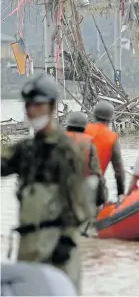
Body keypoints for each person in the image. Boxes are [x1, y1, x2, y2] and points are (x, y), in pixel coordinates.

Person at [1, 74, 91, 293]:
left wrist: (67, 241)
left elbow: (80, 202)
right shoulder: (26, 150)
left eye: (38, 105)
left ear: (51, 107)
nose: (31, 111)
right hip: (28, 244)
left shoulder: (65, 150)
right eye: (28, 105)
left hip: (57, 245)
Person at [85, 100, 126, 202]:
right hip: (94, 186)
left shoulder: (82, 130)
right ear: (110, 118)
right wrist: (121, 193)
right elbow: (118, 170)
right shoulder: (111, 137)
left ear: (94, 115)